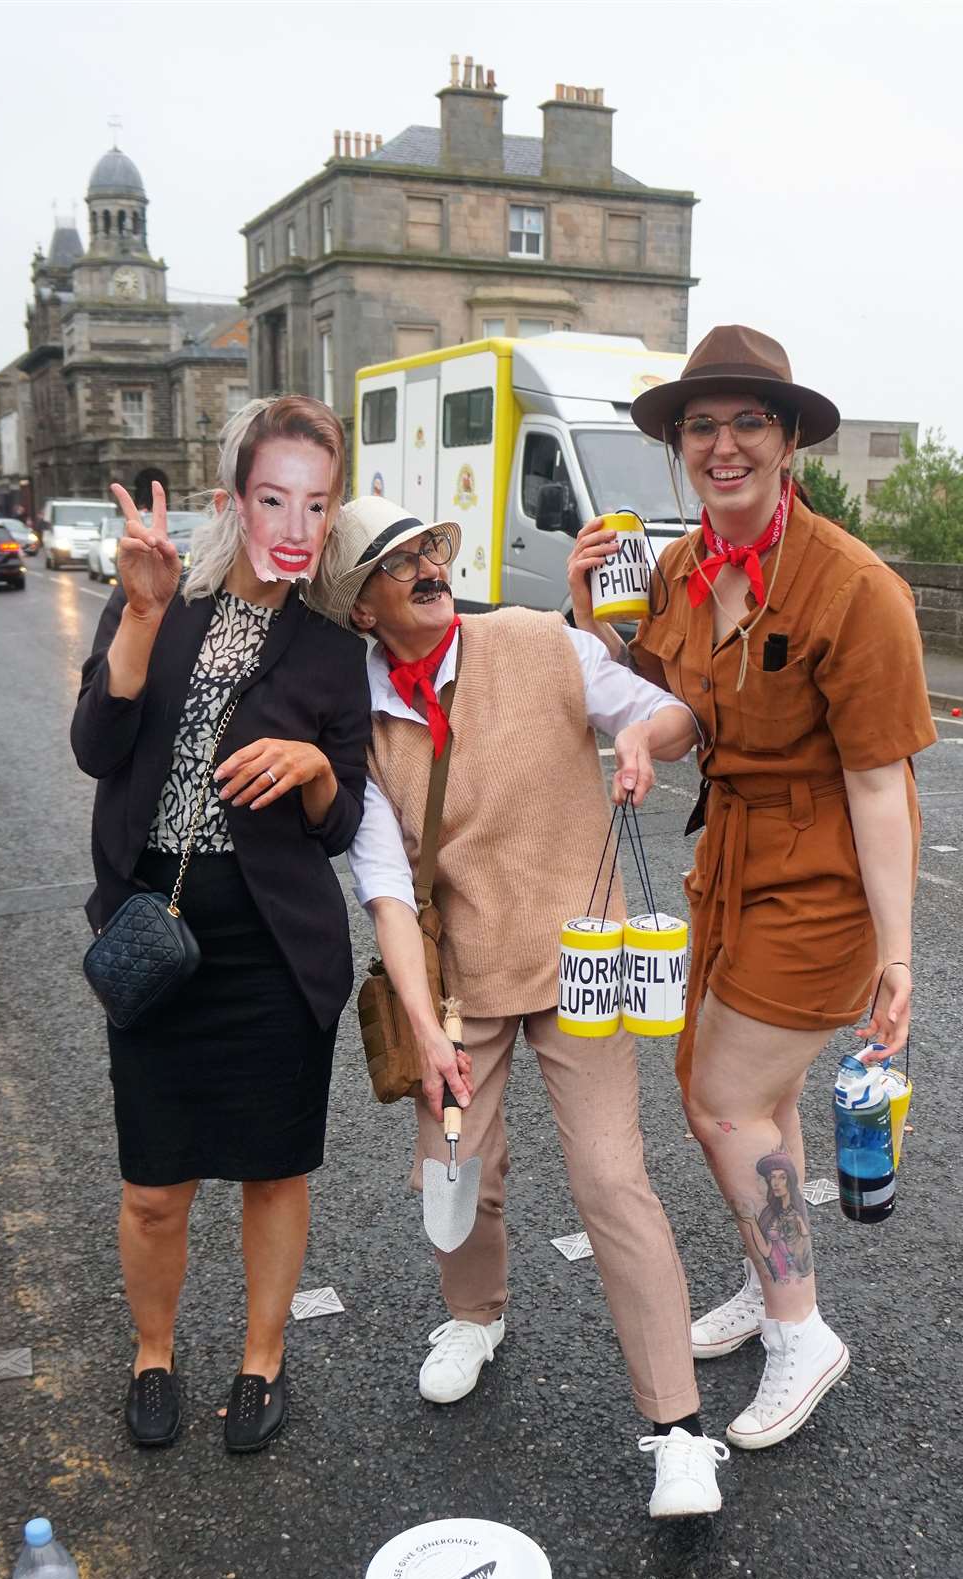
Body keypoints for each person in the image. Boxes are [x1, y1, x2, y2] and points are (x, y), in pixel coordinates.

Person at [313, 495, 730, 1521]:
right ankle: (474, 1313)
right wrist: (422, 1023)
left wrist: (647, 738)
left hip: (582, 955)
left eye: (425, 548)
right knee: (455, 1169)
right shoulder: (358, 716)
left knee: (612, 1177)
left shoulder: (537, 643)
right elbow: (386, 890)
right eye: (394, 560)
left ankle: (679, 1429)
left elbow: (663, 715)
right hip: (461, 973)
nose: (423, 564)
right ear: (362, 607)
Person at [568, 325, 936, 1452]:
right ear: (681, 442)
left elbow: (881, 788)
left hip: (823, 871)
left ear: (787, 441)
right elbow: (675, 713)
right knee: (752, 1100)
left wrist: (897, 951)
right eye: (700, 424)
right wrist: (597, 625)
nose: (722, 445)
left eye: (747, 423)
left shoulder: (855, 588)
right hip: (730, 854)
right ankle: (767, 1278)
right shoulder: (681, 567)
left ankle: (799, 1328)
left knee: (722, 1098)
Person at [71, 397, 370, 1453]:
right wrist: (142, 615)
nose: (294, 521)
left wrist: (317, 770)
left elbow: (343, 829)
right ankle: (153, 1352)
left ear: (332, 518)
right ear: (233, 502)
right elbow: (96, 747)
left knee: (271, 1168)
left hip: (274, 944)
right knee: (155, 1184)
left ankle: (261, 1357)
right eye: (272, 496)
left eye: (316, 503)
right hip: (158, 925)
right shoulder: (160, 601)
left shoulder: (332, 651)